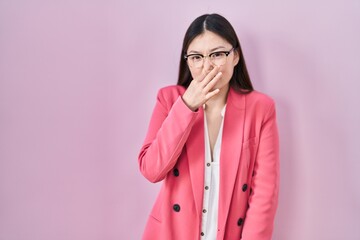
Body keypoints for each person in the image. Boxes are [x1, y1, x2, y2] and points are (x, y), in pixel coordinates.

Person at [138, 13, 279, 240]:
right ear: (187, 61)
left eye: (217, 54)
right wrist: (186, 106)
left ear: (235, 56)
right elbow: (152, 170)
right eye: (196, 57)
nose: (207, 66)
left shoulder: (261, 108)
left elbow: (264, 193)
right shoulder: (168, 99)